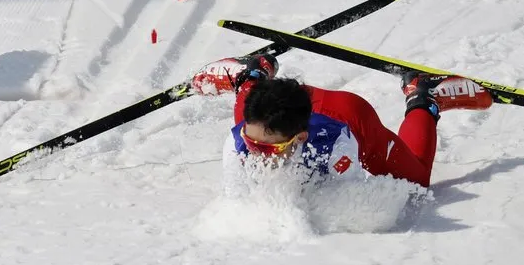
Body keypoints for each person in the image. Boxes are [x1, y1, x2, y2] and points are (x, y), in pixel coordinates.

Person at [190, 54, 493, 188]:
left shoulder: (338, 146)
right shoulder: (240, 140)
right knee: (247, 106)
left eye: (269, 151)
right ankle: (253, 73)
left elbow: (345, 201)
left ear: (299, 139)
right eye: (250, 144)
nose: (254, 155)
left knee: (415, 183)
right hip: (278, 108)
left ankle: (425, 96)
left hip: (345, 114)